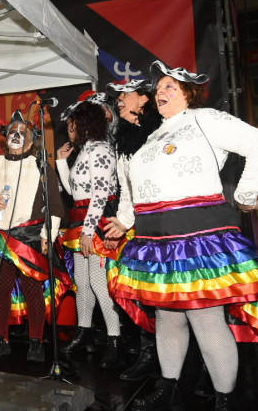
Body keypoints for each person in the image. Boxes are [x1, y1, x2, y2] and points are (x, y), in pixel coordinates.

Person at [105, 61, 258, 411]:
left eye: (171, 87)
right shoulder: (153, 136)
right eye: (159, 88)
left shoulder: (205, 119)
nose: (162, 92)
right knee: (167, 316)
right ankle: (168, 387)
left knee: (204, 316)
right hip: (154, 237)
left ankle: (224, 399)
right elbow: (136, 189)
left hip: (195, 234)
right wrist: (124, 221)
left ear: (189, 93)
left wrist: (246, 196)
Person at [0, 111, 68, 362]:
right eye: (12, 131)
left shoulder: (39, 166)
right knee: (0, 290)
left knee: (33, 290)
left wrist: (47, 236)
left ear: (30, 141)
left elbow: (55, 207)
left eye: (22, 132)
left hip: (29, 238)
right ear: (5, 138)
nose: (16, 135)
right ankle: (0, 338)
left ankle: (36, 341)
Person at [56, 100, 125, 369]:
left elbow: (100, 194)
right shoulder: (85, 150)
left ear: (83, 123)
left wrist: (88, 231)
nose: (69, 127)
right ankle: (84, 332)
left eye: (72, 122)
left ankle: (115, 340)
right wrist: (62, 163)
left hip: (94, 222)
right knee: (81, 283)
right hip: (81, 219)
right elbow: (74, 193)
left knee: (99, 283)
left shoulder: (100, 149)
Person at [106, 79, 163, 381]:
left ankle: (204, 367)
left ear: (143, 100)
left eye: (124, 95)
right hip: (139, 228)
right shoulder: (123, 140)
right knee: (142, 293)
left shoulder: (161, 133)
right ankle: (148, 355)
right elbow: (127, 191)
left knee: (178, 293)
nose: (119, 100)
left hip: (166, 225)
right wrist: (122, 221)